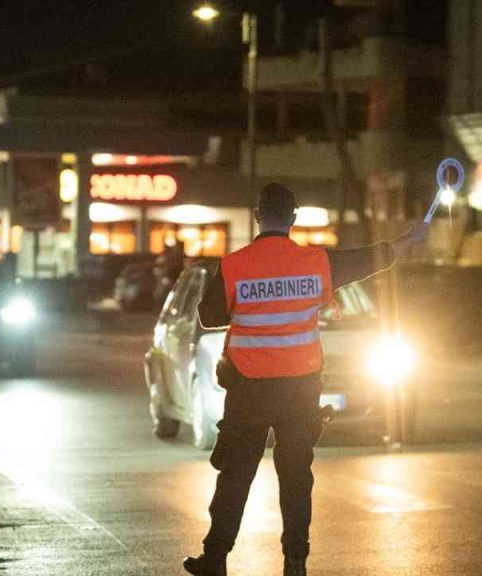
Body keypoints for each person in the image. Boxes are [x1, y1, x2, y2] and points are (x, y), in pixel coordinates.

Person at [183, 183, 427, 576]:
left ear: (258, 216)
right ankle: (295, 562)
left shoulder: (234, 265)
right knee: (296, 476)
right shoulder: (317, 263)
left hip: (249, 389)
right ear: (293, 218)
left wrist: (246, 301)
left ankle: (215, 559)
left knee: (237, 474)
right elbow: (371, 260)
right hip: (300, 390)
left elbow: (208, 316)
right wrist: (408, 240)